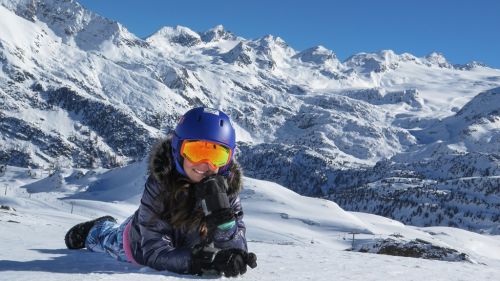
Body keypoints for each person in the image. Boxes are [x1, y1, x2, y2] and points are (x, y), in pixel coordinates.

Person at [64, 107, 257, 277]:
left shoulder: (226, 190)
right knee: (107, 239)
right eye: (196, 151)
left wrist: (225, 225)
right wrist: (200, 262)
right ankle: (99, 227)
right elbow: (154, 252)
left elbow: (237, 245)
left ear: (229, 159)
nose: (205, 164)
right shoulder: (160, 185)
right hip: (138, 241)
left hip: (187, 246)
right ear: (178, 149)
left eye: (216, 154)